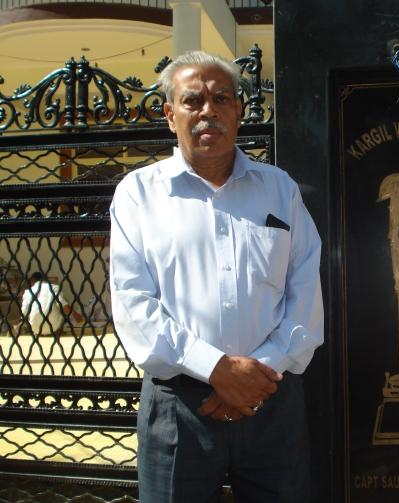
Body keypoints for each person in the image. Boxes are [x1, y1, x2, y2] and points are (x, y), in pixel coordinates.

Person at [109, 51, 323, 502]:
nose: (208, 111)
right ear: (170, 115)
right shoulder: (138, 195)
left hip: (273, 400)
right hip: (179, 409)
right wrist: (217, 369)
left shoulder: (279, 189)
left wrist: (256, 374)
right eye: (192, 101)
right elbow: (134, 304)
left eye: (221, 98)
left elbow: (304, 288)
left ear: (239, 111)